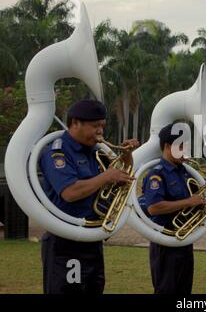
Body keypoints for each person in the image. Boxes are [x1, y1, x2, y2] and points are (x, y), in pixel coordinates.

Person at [39, 100, 138, 294]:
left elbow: (122, 171)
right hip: (66, 243)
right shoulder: (56, 151)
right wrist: (106, 177)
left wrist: (126, 156)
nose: (100, 131)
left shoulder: (95, 151)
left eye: (102, 126)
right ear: (75, 123)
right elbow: (70, 193)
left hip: (92, 240)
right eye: (95, 126)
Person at [141, 123, 206, 294]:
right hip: (165, 242)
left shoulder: (185, 172)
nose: (185, 150)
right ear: (168, 146)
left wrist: (204, 195)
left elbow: (195, 199)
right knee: (166, 290)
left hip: (184, 241)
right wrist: (188, 202)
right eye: (181, 146)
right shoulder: (156, 174)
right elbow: (154, 208)